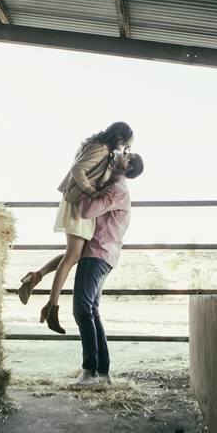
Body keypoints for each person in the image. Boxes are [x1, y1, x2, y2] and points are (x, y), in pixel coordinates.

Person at [17, 122, 133, 334]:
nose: (124, 148)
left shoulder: (101, 148)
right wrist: (90, 191)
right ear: (119, 137)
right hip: (78, 203)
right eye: (125, 142)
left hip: (80, 202)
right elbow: (77, 169)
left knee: (73, 254)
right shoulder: (101, 148)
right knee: (72, 256)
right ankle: (51, 308)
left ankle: (36, 277)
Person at [72, 151, 144, 386]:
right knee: (91, 310)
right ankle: (103, 372)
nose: (121, 154)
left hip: (96, 253)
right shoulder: (116, 187)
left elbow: (86, 212)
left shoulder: (115, 190)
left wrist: (84, 189)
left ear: (128, 165)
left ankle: (89, 371)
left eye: (126, 155)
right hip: (106, 255)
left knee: (81, 309)